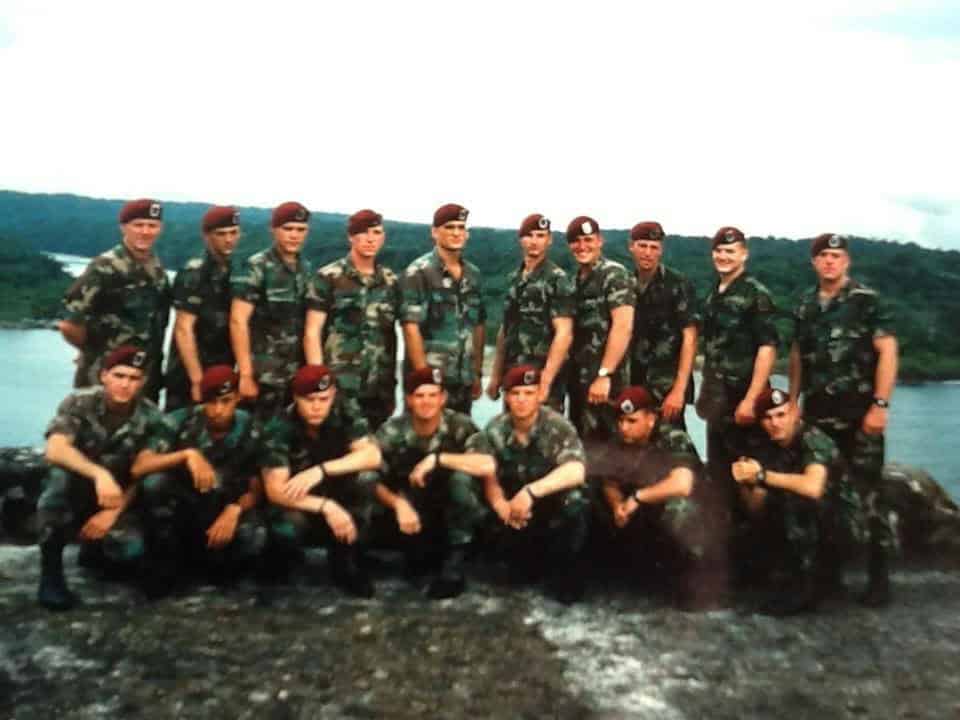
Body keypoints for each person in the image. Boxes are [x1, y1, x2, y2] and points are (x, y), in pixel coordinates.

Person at [789, 233, 899, 606]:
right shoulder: (805, 305)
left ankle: (879, 578)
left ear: (846, 261)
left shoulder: (866, 302)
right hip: (819, 417)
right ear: (814, 263)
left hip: (859, 415)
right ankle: (826, 578)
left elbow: (887, 351)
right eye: (823, 256)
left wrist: (880, 405)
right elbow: (797, 357)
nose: (830, 262)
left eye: (836, 256)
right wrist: (792, 401)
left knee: (868, 495)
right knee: (820, 494)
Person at [36, 346, 167, 610]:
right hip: (78, 489)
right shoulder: (80, 402)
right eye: (119, 375)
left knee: (129, 552)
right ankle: (51, 574)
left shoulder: (151, 417)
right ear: (104, 376)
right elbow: (56, 448)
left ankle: (96, 551)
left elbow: (144, 472)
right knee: (58, 478)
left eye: (133, 378)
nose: (125, 385)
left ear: (142, 383)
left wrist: (114, 512)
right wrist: (100, 474)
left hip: (116, 498)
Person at [130, 366, 266, 597]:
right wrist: (186, 455)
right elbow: (140, 467)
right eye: (211, 402)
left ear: (238, 399)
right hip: (183, 506)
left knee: (254, 537)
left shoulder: (251, 428)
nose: (218, 410)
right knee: (155, 484)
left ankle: (218, 566)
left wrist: (235, 510)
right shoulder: (178, 421)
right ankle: (170, 561)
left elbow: (258, 484)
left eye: (226, 401)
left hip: (224, 506)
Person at [463, 365, 590, 603]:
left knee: (575, 498)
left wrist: (531, 492)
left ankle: (567, 575)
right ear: (507, 397)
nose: (521, 400)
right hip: (514, 513)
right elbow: (487, 470)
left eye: (529, 393)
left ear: (540, 395)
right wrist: (499, 502)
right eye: (516, 393)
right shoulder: (496, 428)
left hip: (546, 505)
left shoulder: (557, 426)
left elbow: (576, 470)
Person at [732, 388, 863, 615]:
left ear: (795, 414)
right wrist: (747, 482)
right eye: (768, 418)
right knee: (754, 514)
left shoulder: (813, 439)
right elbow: (756, 507)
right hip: (817, 523)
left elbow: (813, 487)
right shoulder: (769, 446)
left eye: (781, 415)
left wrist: (762, 476)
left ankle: (804, 588)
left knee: (796, 500)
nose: (775, 423)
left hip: (845, 524)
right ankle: (793, 576)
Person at [587, 386, 717, 610]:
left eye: (632, 421)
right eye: (621, 421)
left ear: (650, 419)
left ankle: (692, 582)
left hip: (693, 516)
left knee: (679, 509)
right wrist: (617, 504)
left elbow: (682, 484)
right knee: (592, 493)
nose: (624, 427)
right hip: (646, 511)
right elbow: (609, 480)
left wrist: (637, 498)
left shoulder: (673, 438)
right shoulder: (620, 441)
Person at [259, 365, 381, 597]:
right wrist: (326, 506)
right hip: (302, 502)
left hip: (336, 489)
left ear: (333, 395)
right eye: (309, 400)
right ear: (296, 398)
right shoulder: (279, 426)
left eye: (324, 399)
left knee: (367, 478)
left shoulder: (345, 411)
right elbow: (274, 490)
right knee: (285, 525)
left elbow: (372, 456)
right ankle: (283, 557)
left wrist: (321, 470)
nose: (317, 406)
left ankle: (346, 558)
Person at [369, 367, 485, 598]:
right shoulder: (392, 431)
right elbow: (368, 476)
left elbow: (486, 464)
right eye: (420, 396)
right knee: (417, 564)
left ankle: (455, 564)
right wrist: (397, 504)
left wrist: (438, 459)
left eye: (433, 395)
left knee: (462, 481)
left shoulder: (460, 425)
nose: (426, 402)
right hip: (411, 510)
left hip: (451, 508)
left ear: (443, 398)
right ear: (409, 400)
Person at [60, 199, 170, 402]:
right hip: (106, 376)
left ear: (160, 229)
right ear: (123, 227)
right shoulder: (104, 267)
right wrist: (93, 351)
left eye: (152, 226)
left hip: (144, 375)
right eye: (138, 225)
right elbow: (69, 324)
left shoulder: (157, 269)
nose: (145, 231)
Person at [696, 226, 779, 489]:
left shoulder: (756, 294)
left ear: (744, 254)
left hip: (743, 401)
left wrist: (752, 399)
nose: (724, 256)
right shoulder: (714, 294)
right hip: (717, 402)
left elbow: (767, 348)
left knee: (748, 476)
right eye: (719, 251)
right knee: (719, 474)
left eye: (730, 251)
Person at [304, 209, 401, 430]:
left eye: (376, 232)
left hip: (379, 387)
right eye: (363, 233)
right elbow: (312, 333)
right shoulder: (328, 277)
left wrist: (393, 386)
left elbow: (392, 336)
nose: (370, 239)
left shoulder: (390, 281)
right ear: (351, 237)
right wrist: (319, 384)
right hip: (339, 384)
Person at [230, 201, 313, 419]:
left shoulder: (306, 268)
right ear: (274, 230)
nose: (294, 235)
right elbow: (238, 321)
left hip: (295, 376)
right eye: (288, 229)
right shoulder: (257, 266)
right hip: (263, 376)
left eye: (301, 230)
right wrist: (246, 375)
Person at [400, 203, 485, 415]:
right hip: (430, 381)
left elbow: (478, 326)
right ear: (434, 232)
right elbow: (411, 329)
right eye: (449, 227)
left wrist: (476, 373)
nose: (456, 233)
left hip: (462, 381)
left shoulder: (473, 275)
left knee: (460, 441)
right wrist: (425, 382)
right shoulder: (418, 273)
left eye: (461, 227)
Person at [486, 213, 574, 411]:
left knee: (546, 435)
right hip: (513, 375)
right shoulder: (514, 278)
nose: (535, 242)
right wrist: (496, 376)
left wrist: (546, 381)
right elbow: (504, 330)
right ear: (521, 239)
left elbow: (564, 333)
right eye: (530, 235)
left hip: (541, 375)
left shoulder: (557, 279)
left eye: (541, 236)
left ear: (549, 240)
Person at [565, 215, 635, 439]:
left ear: (599, 241)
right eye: (576, 241)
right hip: (578, 382)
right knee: (582, 445)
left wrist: (605, 374)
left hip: (607, 384)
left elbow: (623, 326)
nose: (582, 246)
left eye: (588, 240)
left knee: (609, 447)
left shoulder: (614, 274)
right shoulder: (573, 280)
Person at [166, 206, 240, 411]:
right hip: (189, 372)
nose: (228, 239)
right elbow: (183, 329)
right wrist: (197, 380)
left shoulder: (234, 271)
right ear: (207, 236)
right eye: (221, 234)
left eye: (233, 233)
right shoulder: (195, 272)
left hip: (221, 367)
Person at [627, 222, 698, 430]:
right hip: (635, 381)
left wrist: (679, 390)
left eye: (654, 247)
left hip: (667, 386)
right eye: (642, 246)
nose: (648, 253)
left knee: (673, 444)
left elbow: (690, 338)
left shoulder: (678, 284)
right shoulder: (625, 284)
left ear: (661, 250)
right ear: (631, 246)